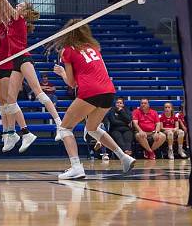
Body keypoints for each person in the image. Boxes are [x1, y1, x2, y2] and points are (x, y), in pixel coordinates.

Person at [51, 19, 136, 179]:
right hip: (109, 91)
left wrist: (62, 73)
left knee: (64, 128)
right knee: (92, 128)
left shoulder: (67, 51)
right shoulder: (94, 48)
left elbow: (71, 83)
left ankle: (76, 167)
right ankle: (124, 157)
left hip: (91, 91)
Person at [0, 0, 62, 136]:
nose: (17, 4)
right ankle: (19, 133)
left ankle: (59, 123)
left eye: (21, 4)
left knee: (39, 93)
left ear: (24, 11)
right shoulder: (11, 22)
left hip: (24, 59)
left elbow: (4, 1)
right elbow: (1, 8)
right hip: (15, 63)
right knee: (10, 101)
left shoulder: (19, 19)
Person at [0, 0, 37, 154]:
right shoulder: (3, 27)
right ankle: (8, 133)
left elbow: (5, 4)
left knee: (9, 101)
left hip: (9, 65)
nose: (17, 5)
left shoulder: (18, 23)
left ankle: (14, 131)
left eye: (21, 5)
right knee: (1, 102)